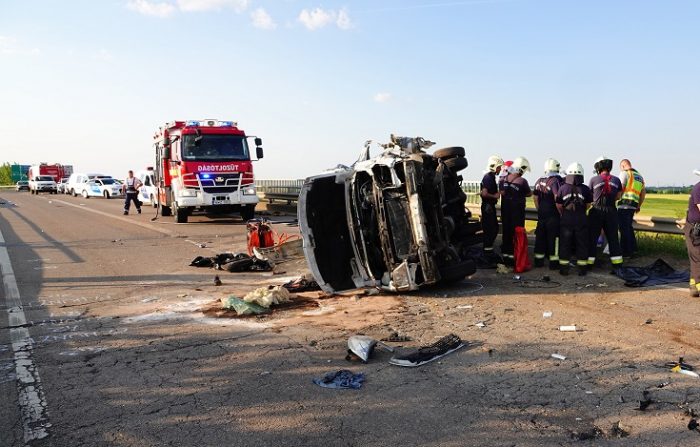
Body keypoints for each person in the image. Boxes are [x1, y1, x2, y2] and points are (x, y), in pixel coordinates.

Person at [556, 163, 593, 276]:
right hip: (581, 218)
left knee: (565, 243)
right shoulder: (585, 189)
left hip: (566, 218)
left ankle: (564, 269)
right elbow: (588, 205)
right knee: (582, 243)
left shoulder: (562, 188)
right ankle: (582, 269)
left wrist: (564, 214)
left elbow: (558, 205)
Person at [587, 156, 623, 270]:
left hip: (596, 211)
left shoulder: (593, 180)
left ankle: (589, 263)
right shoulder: (617, 180)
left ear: (598, 168)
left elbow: (589, 197)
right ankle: (617, 264)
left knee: (592, 238)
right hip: (611, 211)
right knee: (613, 238)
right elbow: (618, 196)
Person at [499, 156, 532, 266]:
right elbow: (529, 193)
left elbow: (502, 192)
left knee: (506, 233)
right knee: (517, 234)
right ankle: (516, 258)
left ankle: (506, 257)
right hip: (517, 213)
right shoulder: (522, 181)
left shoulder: (503, 179)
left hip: (505, 211)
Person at [533, 158, 563, 270]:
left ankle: (538, 261)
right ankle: (554, 263)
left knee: (540, 238)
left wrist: (539, 210)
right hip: (553, 215)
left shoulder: (539, 180)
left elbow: (535, 198)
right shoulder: (556, 181)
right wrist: (561, 213)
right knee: (554, 239)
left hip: (542, 214)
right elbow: (557, 199)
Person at [617, 159, 646, 258]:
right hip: (633, 206)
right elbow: (643, 193)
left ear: (622, 166)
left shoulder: (625, 173)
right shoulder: (639, 176)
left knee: (624, 229)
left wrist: (615, 199)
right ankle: (633, 249)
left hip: (624, 205)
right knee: (628, 227)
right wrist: (638, 205)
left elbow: (620, 188)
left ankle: (626, 252)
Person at [480, 155, 504, 258]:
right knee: (491, 229)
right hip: (488, 207)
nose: (500, 169)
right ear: (494, 166)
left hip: (489, 206)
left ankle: (488, 250)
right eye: (499, 167)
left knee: (493, 228)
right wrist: (494, 196)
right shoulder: (488, 177)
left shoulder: (490, 177)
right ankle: (487, 252)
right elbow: (484, 193)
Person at [686, 170, 700, 297]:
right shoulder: (698, 188)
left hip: (696, 227)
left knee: (696, 257)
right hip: (695, 228)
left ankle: (694, 286)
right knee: (697, 257)